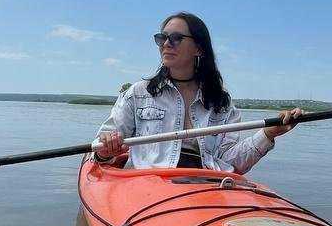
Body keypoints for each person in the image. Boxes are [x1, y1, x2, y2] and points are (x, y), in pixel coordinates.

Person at [94, 12, 304, 173]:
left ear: (199, 49)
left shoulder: (221, 102)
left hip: (204, 186)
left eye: (176, 38)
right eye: (162, 38)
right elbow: (100, 148)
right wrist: (106, 149)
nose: (166, 44)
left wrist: (269, 133)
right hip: (148, 186)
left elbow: (230, 162)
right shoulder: (138, 94)